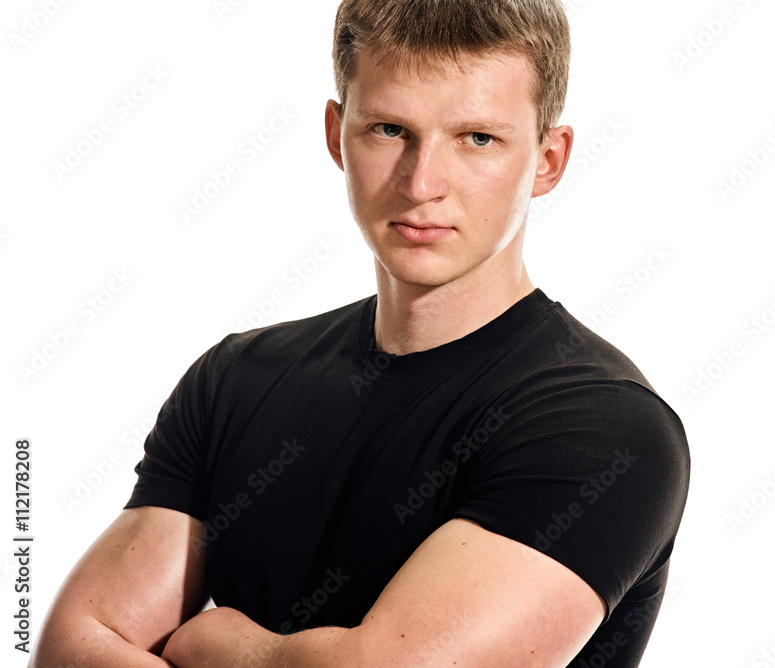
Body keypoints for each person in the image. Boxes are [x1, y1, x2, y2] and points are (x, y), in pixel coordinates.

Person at [31, 1, 690, 666]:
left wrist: (214, 642)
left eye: (477, 139)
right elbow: (69, 649)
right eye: (390, 130)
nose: (422, 183)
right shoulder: (236, 378)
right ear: (336, 134)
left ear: (549, 160)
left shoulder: (606, 428)